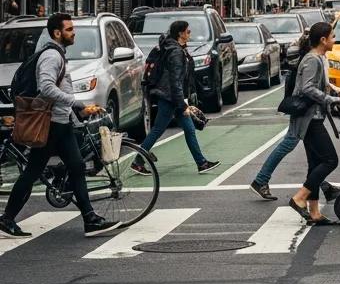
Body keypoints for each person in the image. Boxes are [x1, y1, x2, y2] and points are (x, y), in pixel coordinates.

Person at [0, 14, 119, 239]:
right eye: (69, 29)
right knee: (35, 171)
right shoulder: (51, 56)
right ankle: (7, 218)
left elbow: (58, 89)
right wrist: (75, 103)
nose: (74, 33)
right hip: (51, 124)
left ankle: (90, 219)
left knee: (75, 167)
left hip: (61, 122)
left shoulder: (58, 54)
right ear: (57, 33)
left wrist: (77, 111)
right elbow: (46, 87)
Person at [131, 20, 219, 176]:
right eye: (188, 31)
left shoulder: (175, 48)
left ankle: (202, 163)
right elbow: (175, 81)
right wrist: (182, 104)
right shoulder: (176, 52)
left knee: (189, 129)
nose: (190, 33)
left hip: (172, 96)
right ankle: (138, 161)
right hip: (169, 97)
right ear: (181, 33)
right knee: (158, 129)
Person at [285, 21, 340, 226]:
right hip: (309, 119)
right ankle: (299, 198)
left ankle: (314, 212)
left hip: (314, 116)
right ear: (323, 40)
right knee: (330, 160)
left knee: (314, 163)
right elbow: (307, 88)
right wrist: (330, 99)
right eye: (333, 37)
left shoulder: (320, 58)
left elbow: (318, 83)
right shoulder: (312, 59)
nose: (335, 40)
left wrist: (334, 90)